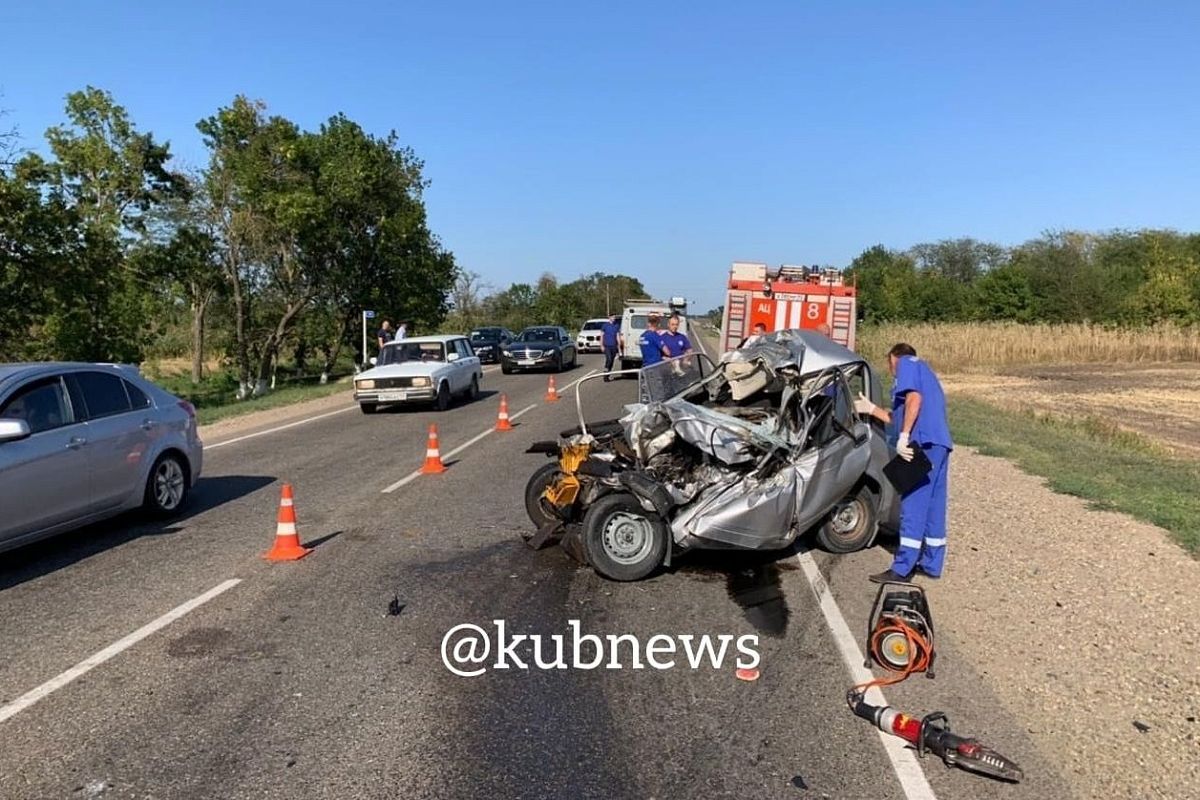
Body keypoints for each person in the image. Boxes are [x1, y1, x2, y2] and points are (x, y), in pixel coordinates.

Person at [855, 343, 953, 582]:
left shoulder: (908, 364)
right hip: (938, 443)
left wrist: (904, 437)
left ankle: (902, 568)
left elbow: (913, 401)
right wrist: (871, 409)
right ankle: (931, 563)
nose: (890, 370)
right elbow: (895, 416)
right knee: (933, 506)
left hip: (921, 444)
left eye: (889, 363)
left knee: (913, 504)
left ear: (893, 358)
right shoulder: (925, 373)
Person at [601, 313, 624, 382]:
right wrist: (601, 345)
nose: (614, 318)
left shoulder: (616, 326)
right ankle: (605, 372)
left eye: (614, 317)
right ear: (609, 317)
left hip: (614, 346)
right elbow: (601, 336)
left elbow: (617, 337)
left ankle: (607, 375)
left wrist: (619, 348)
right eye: (613, 317)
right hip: (607, 346)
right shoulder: (605, 326)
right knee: (609, 359)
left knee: (612, 361)